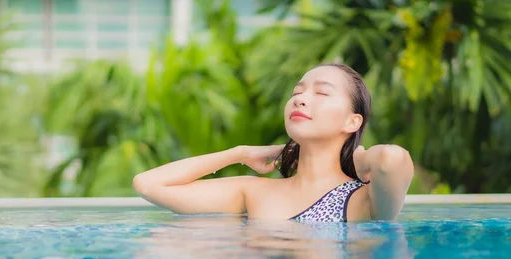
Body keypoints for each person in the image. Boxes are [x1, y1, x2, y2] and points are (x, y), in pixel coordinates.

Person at [133, 63, 414, 222]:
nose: (300, 98)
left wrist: (359, 159)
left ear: (352, 122)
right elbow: (148, 184)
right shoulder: (255, 192)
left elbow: (392, 160)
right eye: (298, 91)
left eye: (322, 93)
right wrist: (238, 153)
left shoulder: (364, 200)